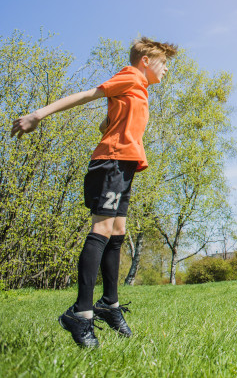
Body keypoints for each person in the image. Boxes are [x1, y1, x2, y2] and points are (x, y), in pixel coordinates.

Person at [10, 37, 178, 347]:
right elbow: (89, 94)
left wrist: (112, 123)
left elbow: (108, 122)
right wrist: (37, 115)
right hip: (111, 164)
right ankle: (81, 314)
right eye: (163, 62)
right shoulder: (130, 75)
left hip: (124, 165)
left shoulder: (138, 88)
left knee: (117, 231)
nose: (166, 68)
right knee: (101, 230)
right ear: (145, 61)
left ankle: (109, 305)